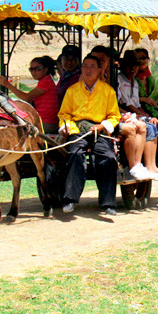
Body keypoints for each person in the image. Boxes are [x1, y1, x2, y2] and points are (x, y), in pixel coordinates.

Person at [57, 54, 121, 216]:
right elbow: (64, 114)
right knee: (74, 153)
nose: (88, 70)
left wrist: (101, 126)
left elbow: (114, 116)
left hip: (99, 131)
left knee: (108, 157)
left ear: (100, 70)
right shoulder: (72, 91)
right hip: (78, 130)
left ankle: (108, 203)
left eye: (92, 66)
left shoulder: (108, 91)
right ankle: (70, 199)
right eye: (85, 66)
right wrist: (68, 128)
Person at [116, 50, 158, 181]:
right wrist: (142, 116)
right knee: (147, 126)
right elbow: (127, 105)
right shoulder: (119, 80)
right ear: (123, 66)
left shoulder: (134, 82)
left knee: (152, 125)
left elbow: (136, 104)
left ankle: (151, 165)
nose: (133, 68)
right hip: (124, 113)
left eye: (135, 65)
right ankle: (137, 165)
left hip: (132, 112)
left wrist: (146, 115)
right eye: (130, 65)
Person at [0, 56, 60, 134]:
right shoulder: (45, 82)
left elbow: (26, 97)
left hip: (46, 123)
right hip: (44, 120)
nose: (34, 72)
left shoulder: (46, 83)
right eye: (31, 69)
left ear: (45, 69)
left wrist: (7, 85)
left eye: (37, 69)